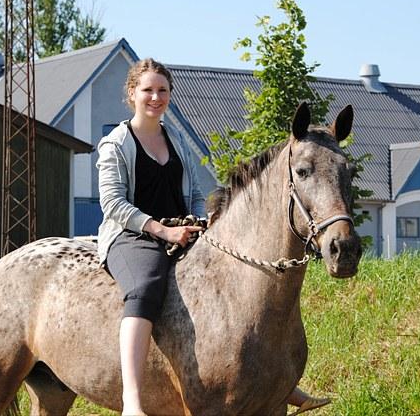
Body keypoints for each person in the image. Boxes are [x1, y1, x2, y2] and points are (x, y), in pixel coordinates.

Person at [96, 58, 330, 415]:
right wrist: (161, 229)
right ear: (132, 93)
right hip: (133, 235)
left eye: (162, 90)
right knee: (145, 287)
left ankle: (276, 382)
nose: (155, 97)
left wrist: (200, 222)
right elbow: (113, 203)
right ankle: (132, 400)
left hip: (179, 230)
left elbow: (191, 192)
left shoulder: (175, 140)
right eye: (148, 90)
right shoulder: (115, 144)